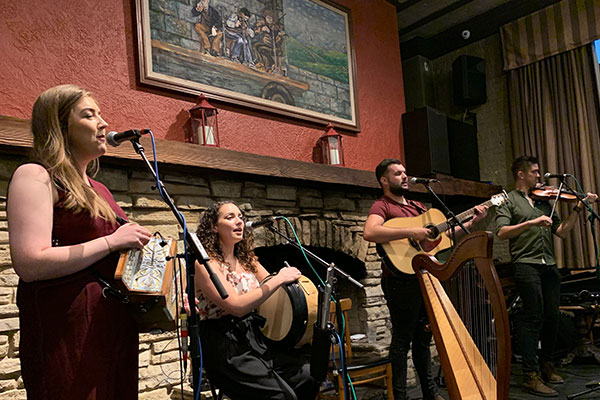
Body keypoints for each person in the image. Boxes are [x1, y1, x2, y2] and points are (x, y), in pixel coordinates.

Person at [7, 84, 152, 399]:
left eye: (100, 114)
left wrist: (156, 292)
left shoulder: (101, 190)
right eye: (89, 115)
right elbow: (30, 262)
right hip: (68, 332)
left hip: (113, 328)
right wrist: (113, 242)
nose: (103, 123)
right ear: (60, 125)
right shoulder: (36, 176)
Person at [362, 158, 487, 400]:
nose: (404, 176)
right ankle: (400, 396)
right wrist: (412, 231)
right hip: (400, 279)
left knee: (423, 339)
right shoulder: (382, 206)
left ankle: (430, 393)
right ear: (384, 181)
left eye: (405, 172)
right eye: (398, 173)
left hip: (424, 277)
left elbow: (442, 238)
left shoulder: (419, 207)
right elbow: (371, 232)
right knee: (402, 340)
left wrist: (472, 222)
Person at [193, 201, 318, 400]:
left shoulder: (247, 260)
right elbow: (236, 306)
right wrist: (279, 277)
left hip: (255, 337)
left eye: (241, 217)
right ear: (214, 227)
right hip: (225, 345)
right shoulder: (206, 264)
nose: (239, 222)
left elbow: (273, 293)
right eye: (230, 217)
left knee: (308, 375)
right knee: (280, 396)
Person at [495, 155, 597, 397]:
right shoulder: (509, 200)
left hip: (549, 264)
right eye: (535, 172)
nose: (539, 177)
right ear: (521, 174)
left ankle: (547, 365)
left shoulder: (544, 201)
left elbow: (561, 232)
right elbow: (501, 232)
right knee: (533, 317)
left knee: (552, 316)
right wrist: (532, 223)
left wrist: (577, 209)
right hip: (526, 264)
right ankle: (530, 375)